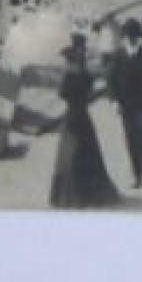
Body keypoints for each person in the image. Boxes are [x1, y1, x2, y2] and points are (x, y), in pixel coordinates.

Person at [49, 34, 121, 209]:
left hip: (72, 117)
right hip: (82, 117)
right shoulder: (85, 75)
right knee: (87, 154)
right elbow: (95, 81)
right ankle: (90, 194)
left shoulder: (71, 76)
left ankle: (72, 196)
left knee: (70, 156)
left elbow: (62, 94)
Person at [108, 18, 142, 189]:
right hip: (125, 106)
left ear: (138, 37)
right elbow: (111, 80)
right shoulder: (118, 55)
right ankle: (136, 175)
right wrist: (114, 100)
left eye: (134, 36)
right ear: (125, 37)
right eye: (128, 36)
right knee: (130, 139)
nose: (131, 39)